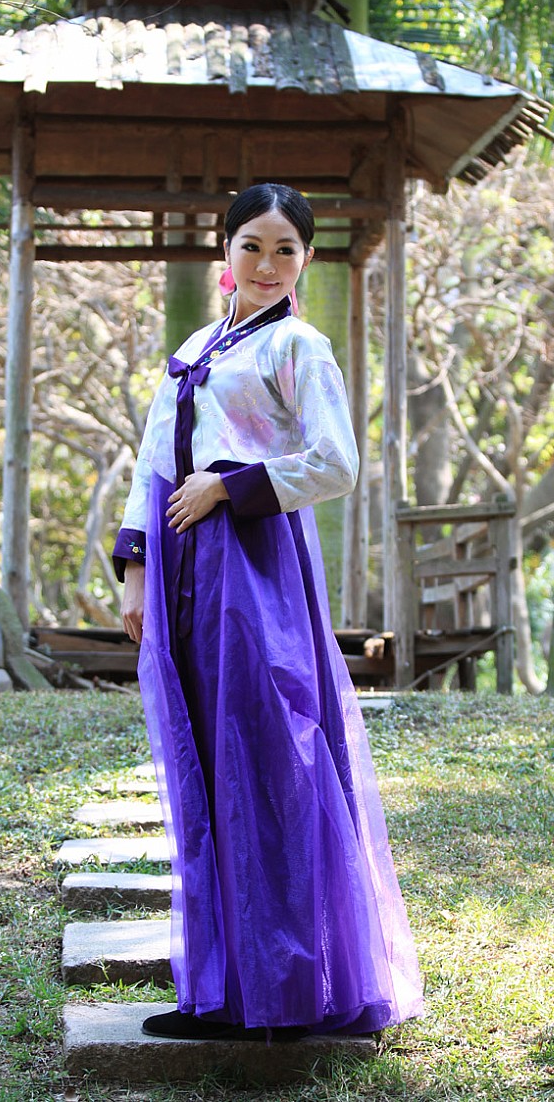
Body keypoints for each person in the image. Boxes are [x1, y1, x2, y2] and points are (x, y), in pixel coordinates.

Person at [113, 183, 423, 1041]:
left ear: (305, 260)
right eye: (251, 244)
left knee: (270, 752)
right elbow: (152, 458)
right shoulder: (196, 346)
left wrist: (229, 488)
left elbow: (337, 462)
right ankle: (223, 990)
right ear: (226, 251)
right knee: (206, 760)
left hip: (255, 567)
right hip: (185, 566)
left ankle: (282, 990)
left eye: (285, 248)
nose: (266, 263)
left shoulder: (298, 345)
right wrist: (136, 570)